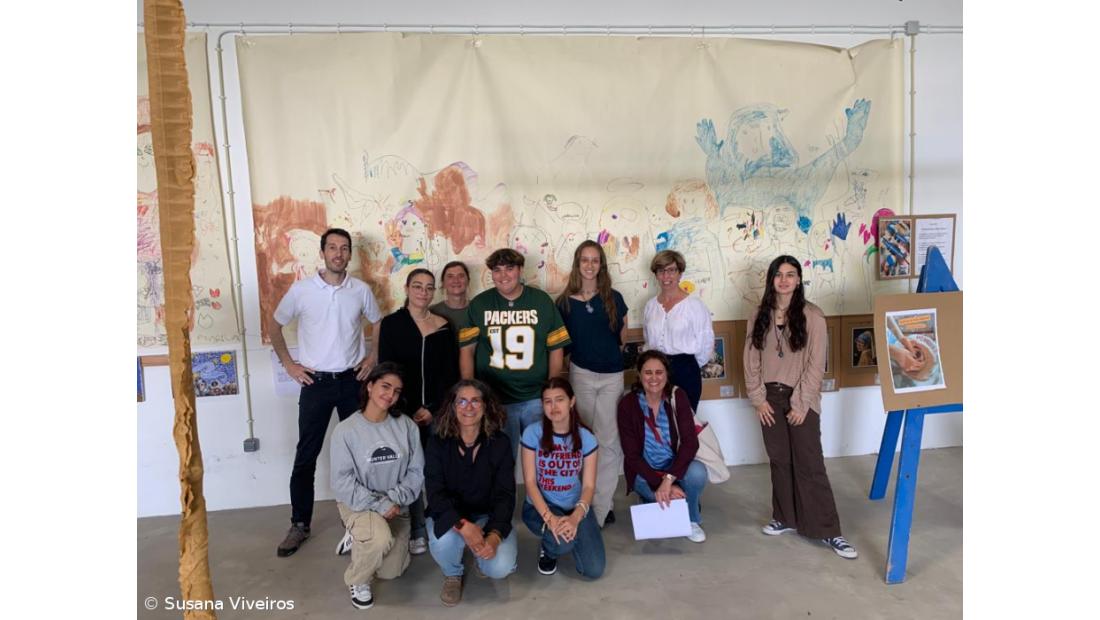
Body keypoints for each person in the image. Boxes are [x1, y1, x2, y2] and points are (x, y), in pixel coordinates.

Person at [270, 227, 382, 557]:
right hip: (315, 384)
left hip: (352, 382)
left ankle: (364, 519)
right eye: (332, 247)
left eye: (344, 248)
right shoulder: (302, 290)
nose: (338, 253)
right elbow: (274, 324)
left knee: (361, 454)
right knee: (307, 455)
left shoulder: (360, 290)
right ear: (322, 253)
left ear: (350, 254)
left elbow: (378, 322)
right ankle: (299, 524)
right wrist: (290, 365)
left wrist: (372, 357)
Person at [743, 255, 857, 559]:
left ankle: (829, 531)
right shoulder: (759, 315)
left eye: (790, 274)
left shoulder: (813, 317)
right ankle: (785, 517)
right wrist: (758, 398)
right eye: (778, 275)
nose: (784, 280)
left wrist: (802, 402)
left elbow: (815, 365)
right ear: (771, 279)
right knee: (779, 460)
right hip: (769, 398)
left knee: (810, 463)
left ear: (798, 280)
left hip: (800, 399)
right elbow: (751, 358)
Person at [376, 268, 460, 556]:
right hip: (403, 414)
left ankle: (442, 519)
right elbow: (387, 370)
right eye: (417, 286)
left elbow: (451, 374)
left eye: (428, 287)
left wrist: (433, 408)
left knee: (439, 470)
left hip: (437, 412)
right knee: (409, 473)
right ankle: (417, 528)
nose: (423, 292)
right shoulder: (392, 324)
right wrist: (409, 409)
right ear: (407, 289)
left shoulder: (444, 326)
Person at [459, 248, 571, 459]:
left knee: (543, 457)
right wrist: (470, 392)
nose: (503, 276)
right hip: (494, 398)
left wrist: (552, 389)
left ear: (520, 270)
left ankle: (538, 494)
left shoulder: (541, 301)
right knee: (500, 460)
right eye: (497, 270)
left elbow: (556, 348)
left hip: (535, 397)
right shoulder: (480, 304)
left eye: (509, 269)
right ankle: (504, 495)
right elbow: (467, 350)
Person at [329, 363, 424, 609]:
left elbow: (416, 473)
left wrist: (394, 500)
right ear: (369, 386)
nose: (390, 394)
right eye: (385, 386)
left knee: (392, 571)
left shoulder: (406, 426)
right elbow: (342, 482)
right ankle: (357, 578)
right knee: (379, 539)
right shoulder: (346, 430)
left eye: (396, 390)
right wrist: (380, 504)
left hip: (397, 505)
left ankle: (360, 538)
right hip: (359, 504)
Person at [424, 380, 518, 607]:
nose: (468, 407)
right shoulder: (437, 442)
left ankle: (480, 559)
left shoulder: (500, 443)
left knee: (500, 566)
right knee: (444, 542)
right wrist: (462, 525)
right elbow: (435, 494)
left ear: (485, 406)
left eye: (475, 400)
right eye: (462, 401)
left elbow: (506, 494)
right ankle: (453, 573)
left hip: (487, 515)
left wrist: (494, 535)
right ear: (453, 407)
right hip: (452, 515)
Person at [555, 240, 628, 527]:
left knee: (608, 442)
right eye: (584, 260)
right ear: (577, 264)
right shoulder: (563, 302)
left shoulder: (614, 297)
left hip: (611, 376)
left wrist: (607, 357)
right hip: (581, 375)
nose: (589, 265)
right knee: (583, 440)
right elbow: (560, 345)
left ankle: (602, 504)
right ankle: (581, 501)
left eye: (595, 260)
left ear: (601, 265)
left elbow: (622, 336)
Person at [616, 350, 708, 543]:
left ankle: (691, 520)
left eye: (659, 372)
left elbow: (690, 444)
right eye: (648, 372)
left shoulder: (677, 397)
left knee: (697, 473)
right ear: (639, 375)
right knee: (664, 495)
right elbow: (631, 456)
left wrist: (668, 481)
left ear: (667, 375)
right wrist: (661, 484)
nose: (654, 378)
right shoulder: (628, 404)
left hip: (675, 470)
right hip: (645, 473)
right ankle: (673, 498)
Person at [520, 378, 606, 578]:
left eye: (559, 399)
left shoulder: (587, 438)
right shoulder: (532, 433)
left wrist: (575, 518)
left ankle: (566, 537)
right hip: (540, 506)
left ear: (572, 401)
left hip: (575, 505)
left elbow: (589, 486)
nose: (554, 406)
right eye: (547, 401)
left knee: (593, 570)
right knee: (562, 541)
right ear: (542, 405)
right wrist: (550, 519)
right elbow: (531, 483)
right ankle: (550, 549)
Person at [642, 250, 714, 413]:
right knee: (658, 423)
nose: (666, 276)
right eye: (661, 271)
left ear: (680, 273)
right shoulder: (650, 306)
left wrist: (689, 366)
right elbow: (647, 339)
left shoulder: (695, 306)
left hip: (685, 370)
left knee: (685, 423)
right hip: (655, 371)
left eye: (671, 270)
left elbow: (706, 344)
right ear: (656, 274)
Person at [430, 261, 471, 334]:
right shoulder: (432, 312)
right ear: (443, 283)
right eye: (450, 276)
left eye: (461, 276)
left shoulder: (478, 309)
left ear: (468, 281)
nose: (456, 280)